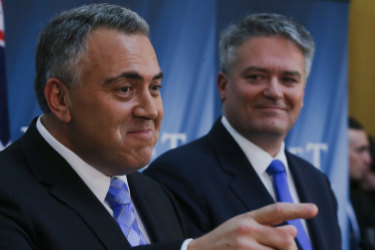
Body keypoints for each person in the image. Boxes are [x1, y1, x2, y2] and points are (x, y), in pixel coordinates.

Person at [0, 4, 318, 250]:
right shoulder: (8, 190)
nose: (150, 110)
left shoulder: (152, 193)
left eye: (155, 88)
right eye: (125, 89)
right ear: (59, 98)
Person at [145, 13, 341, 249]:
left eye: (289, 79)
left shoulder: (317, 181)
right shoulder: (175, 176)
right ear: (223, 85)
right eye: (256, 77)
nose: (274, 92)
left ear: (303, 92)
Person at [348, 117, 375, 249]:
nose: (368, 160)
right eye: (360, 150)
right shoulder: (317, 197)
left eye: (368, 151)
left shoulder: (359, 200)